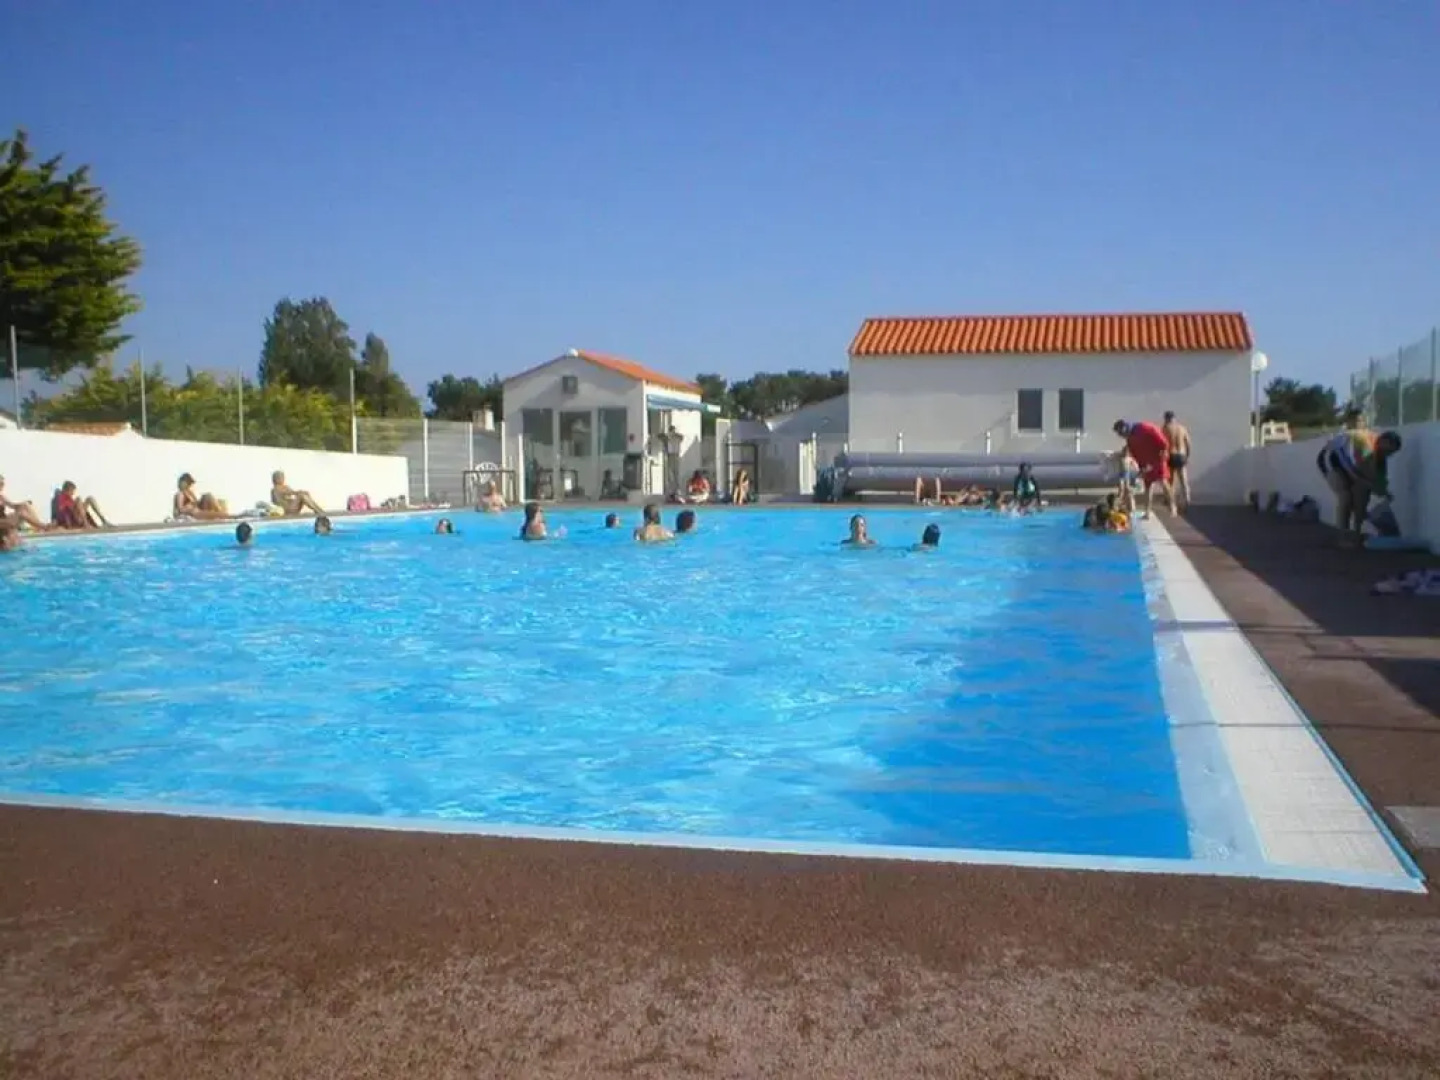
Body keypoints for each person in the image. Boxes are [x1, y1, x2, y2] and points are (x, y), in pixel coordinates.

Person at [1315, 428, 1403, 545]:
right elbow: (1353, 472)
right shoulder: (1363, 444)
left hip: (1351, 462)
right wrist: (1374, 488)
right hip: (1330, 459)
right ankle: (1343, 536)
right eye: (1387, 452)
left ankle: (1357, 533)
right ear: (1383, 442)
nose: (1388, 455)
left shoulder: (1381, 454)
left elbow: (1378, 480)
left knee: (1362, 497)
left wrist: (1384, 492)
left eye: (1391, 453)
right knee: (1346, 496)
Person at [1111, 419, 1174, 518]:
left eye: (1120, 433)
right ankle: (1147, 512)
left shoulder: (1144, 427)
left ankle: (1172, 507)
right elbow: (1135, 454)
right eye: (1119, 434)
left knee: (1163, 482)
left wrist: (1165, 449)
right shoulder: (1130, 439)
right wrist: (1141, 468)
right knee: (1148, 488)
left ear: (1125, 428)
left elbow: (1159, 436)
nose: (1121, 436)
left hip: (1158, 459)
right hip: (1147, 464)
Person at [1162, 411, 1193, 512]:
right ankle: (1187, 501)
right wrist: (1187, 456)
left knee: (1171, 481)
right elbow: (1188, 443)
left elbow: (1162, 444)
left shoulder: (1165, 428)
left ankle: (1171, 502)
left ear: (1166, 419)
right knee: (1184, 480)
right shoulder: (1182, 428)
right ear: (1174, 418)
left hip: (1171, 455)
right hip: (1181, 455)